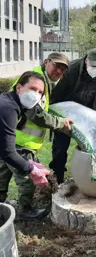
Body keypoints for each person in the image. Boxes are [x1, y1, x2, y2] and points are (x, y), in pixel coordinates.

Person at [50, 48, 96, 184]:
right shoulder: (71, 70)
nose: (95, 69)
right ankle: (58, 176)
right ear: (86, 61)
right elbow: (56, 95)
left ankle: (94, 177)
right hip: (66, 114)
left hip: (88, 118)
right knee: (60, 147)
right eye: (93, 66)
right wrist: (58, 118)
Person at [0, 71, 52, 220]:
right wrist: (31, 169)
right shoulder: (8, 108)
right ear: (18, 88)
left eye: (40, 92)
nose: (35, 94)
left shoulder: (13, 104)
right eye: (32, 88)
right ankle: (25, 210)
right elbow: (8, 153)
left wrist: (27, 163)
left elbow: (4, 149)